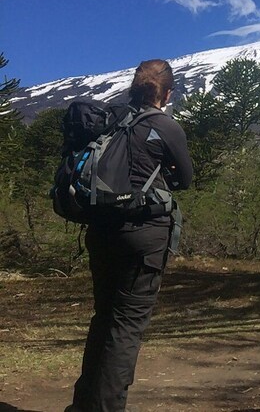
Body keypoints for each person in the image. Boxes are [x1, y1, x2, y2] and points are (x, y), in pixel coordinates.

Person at [66, 59, 193, 412]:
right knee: (125, 329)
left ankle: (82, 406)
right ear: (167, 93)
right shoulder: (165, 125)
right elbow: (185, 178)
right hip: (144, 238)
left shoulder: (112, 120)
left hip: (101, 231)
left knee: (104, 318)